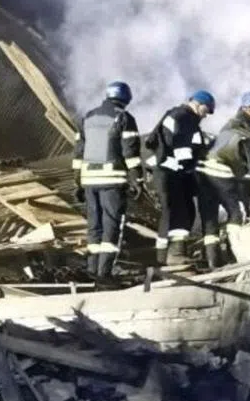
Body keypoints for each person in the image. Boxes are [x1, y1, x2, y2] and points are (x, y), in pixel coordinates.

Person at [72, 81, 142, 278]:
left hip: (88, 181)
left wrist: (78, 181)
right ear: (126, 98)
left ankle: (92, 270)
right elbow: (130, 152)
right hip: (112, 180)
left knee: (94, 227)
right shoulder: (124, 117)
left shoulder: (88, 117)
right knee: (111, 226)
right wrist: (137, 179)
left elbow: (78, 152)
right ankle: (104, 274)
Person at [196, 110, 250, 267]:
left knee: (210, 220)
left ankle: (213, 263)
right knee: (237, 213)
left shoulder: (231, 133)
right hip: (219, 173)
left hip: (201, 175)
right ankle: (236, 255)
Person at [146, 89, 215, 265]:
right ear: (198, 104)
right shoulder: (185, 117)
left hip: (166, 171)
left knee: (171, 213)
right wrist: (192, 168)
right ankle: (175, 254)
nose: (205, 115)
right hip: (171, 171)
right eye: (206, 110)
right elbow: (183, 151)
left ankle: (162, 258)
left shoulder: (176, 114)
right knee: (182, 211)